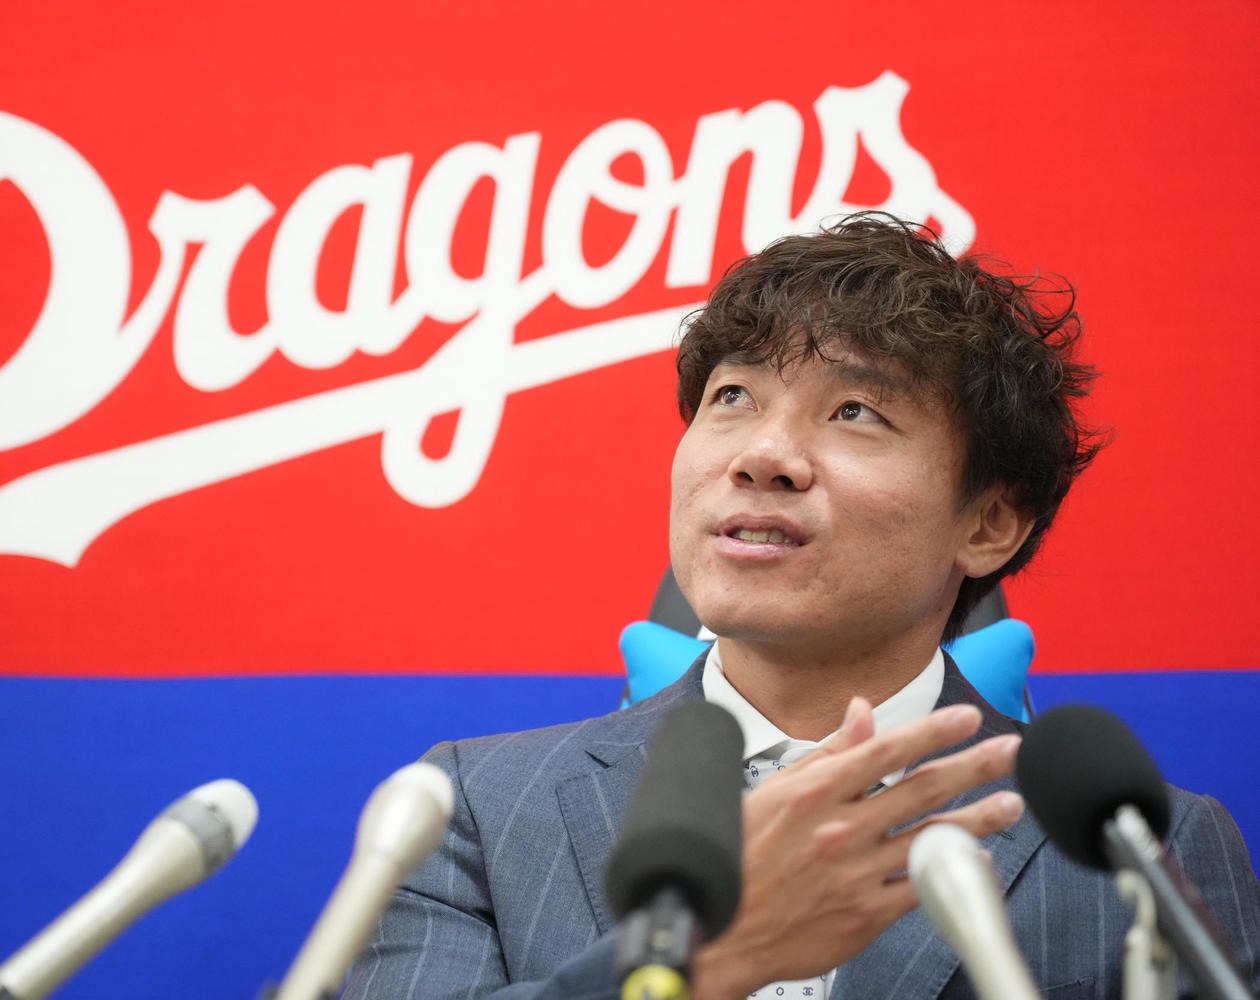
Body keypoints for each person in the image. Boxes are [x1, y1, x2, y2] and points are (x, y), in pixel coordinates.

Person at [339, 214, 1260, 1000]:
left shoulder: (1145, 850)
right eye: (733, 396)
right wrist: (715, 961)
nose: (763, 455)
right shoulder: (475, 809)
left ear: (988, 523)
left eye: (856, 411)